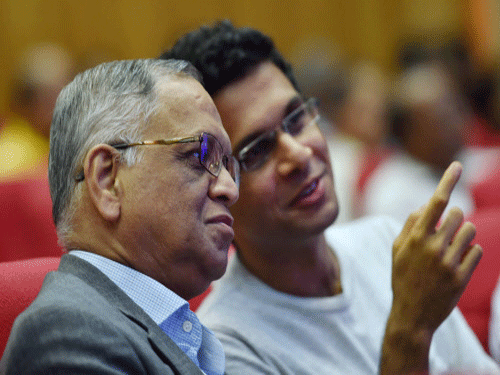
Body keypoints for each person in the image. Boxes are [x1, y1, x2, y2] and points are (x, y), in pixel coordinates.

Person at [161, 20, 500, 374]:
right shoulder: (228, 350)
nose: (299, 154)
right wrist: (409, 331)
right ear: (217, 187)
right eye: (258, 149)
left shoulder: (387, 243)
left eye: (296, 120)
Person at [0, 58, 240, 374]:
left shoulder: (172, 326)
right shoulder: (66, 335)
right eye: (199, 155)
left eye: (227, 163)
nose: (229, 188)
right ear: (107, 180)